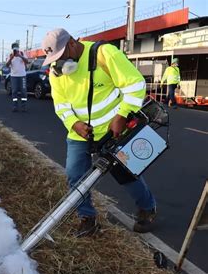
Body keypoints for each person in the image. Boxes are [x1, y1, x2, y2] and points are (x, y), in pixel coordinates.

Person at [41, 28, 157, 237]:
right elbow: (61, 105)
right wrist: (74, 123)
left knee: (127, 174)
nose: (58, 64)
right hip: (80, 134)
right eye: (54, 59)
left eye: (60, 57)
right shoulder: (56, 72)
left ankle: (147, 208)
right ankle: (87, 219)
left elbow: (135, 84)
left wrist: (122, 115)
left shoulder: (104, 54)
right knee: (75, 177)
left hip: (114, 131)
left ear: (72, 44)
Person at [6, 42, 29, 112]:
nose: (15, 49)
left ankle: (23, 106)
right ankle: (15, 106)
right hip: (14, 76)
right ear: (12, 48)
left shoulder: (22, 53)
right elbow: (7, 65)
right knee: (14, 91)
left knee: (23, 92)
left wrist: (20, 56)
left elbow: (27, 61)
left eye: (16, 47)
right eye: (14, 48)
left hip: (22, 76)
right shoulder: (10, 55)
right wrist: (11, 58)